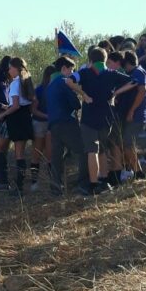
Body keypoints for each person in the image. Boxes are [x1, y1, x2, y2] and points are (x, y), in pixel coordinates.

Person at [77, 48, 136, 193]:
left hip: (89, 118)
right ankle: (104, 180)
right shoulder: (112, 74)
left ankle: (93, 183)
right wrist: (116, 93)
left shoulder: (84, 73)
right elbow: (134, 81)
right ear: (105, 60)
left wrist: (83, 94)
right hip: (106, 117)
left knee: (92, 151)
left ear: (90, 60)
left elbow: (69, 81)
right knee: (102, 150)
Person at [0, 57, 36, 195]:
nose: (9, 70)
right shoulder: (27, 81)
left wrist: (3, 114)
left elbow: (15, 105)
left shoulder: (15, 83)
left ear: (16, 68)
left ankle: (3, 182)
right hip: (25, 118)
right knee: (19, 154)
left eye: (10, 67)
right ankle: (19, 187)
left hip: (14, 119)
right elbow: (33, 101)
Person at [47, 57, 87, 196]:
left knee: (57, 156)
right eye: (71, 69)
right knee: (83, 150)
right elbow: (76, 104)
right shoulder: (65, 82)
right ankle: (83, 183)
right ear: (64, 68)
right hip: (67, 122)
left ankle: (56, 186)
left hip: (53, 124)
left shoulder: (51, 84)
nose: (72, 73)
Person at [118, 50, 146, 181]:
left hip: (136, 115)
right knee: (127, 144)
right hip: (133, 114)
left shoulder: (138, 73)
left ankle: (139, 173)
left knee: (128, 144)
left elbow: (142, 90)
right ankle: (131, 170)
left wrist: (132, 110)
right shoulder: (135, 72)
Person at [30, 65, 56, 191]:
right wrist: (46, 115)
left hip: (51, 124)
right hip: (39, 123)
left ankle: (52, 182)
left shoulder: (56, 89)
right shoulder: (39, 90)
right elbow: (33, 110)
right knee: (37, 153)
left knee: (50, 154)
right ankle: (34, 182)